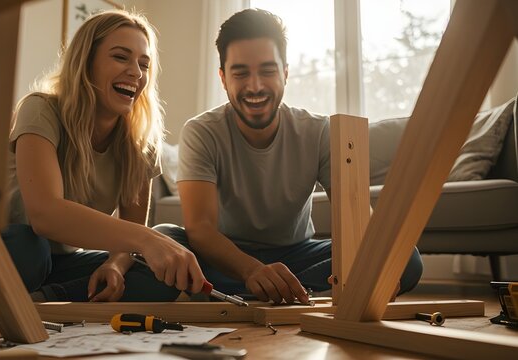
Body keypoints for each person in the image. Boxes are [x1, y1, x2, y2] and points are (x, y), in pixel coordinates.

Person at [0, 10, 205, 323]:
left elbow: (127, 239)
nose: (136, 73)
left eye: (144, 64)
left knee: (156, 273)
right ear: (85, 62)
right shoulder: (41, 109)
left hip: (55, 262)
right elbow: (45, 216)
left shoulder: (141, 143)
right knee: (28, 246)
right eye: (121, 58)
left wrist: (116, 265)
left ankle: (42, 303)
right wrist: (148, 239)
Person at [154, 8, 422, 304]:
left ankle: (253, 290)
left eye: (267, 71)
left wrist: (376, 261)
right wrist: (252, 270)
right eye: (241, 73)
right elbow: (200, 230)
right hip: (224, 256)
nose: (255, 86)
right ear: (223, 78)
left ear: (285, 73)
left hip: (296, 256)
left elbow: (357, 217)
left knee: (403, 257)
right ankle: (265, 288)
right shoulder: (201, 131)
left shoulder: (319, 130)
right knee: (162, 238)